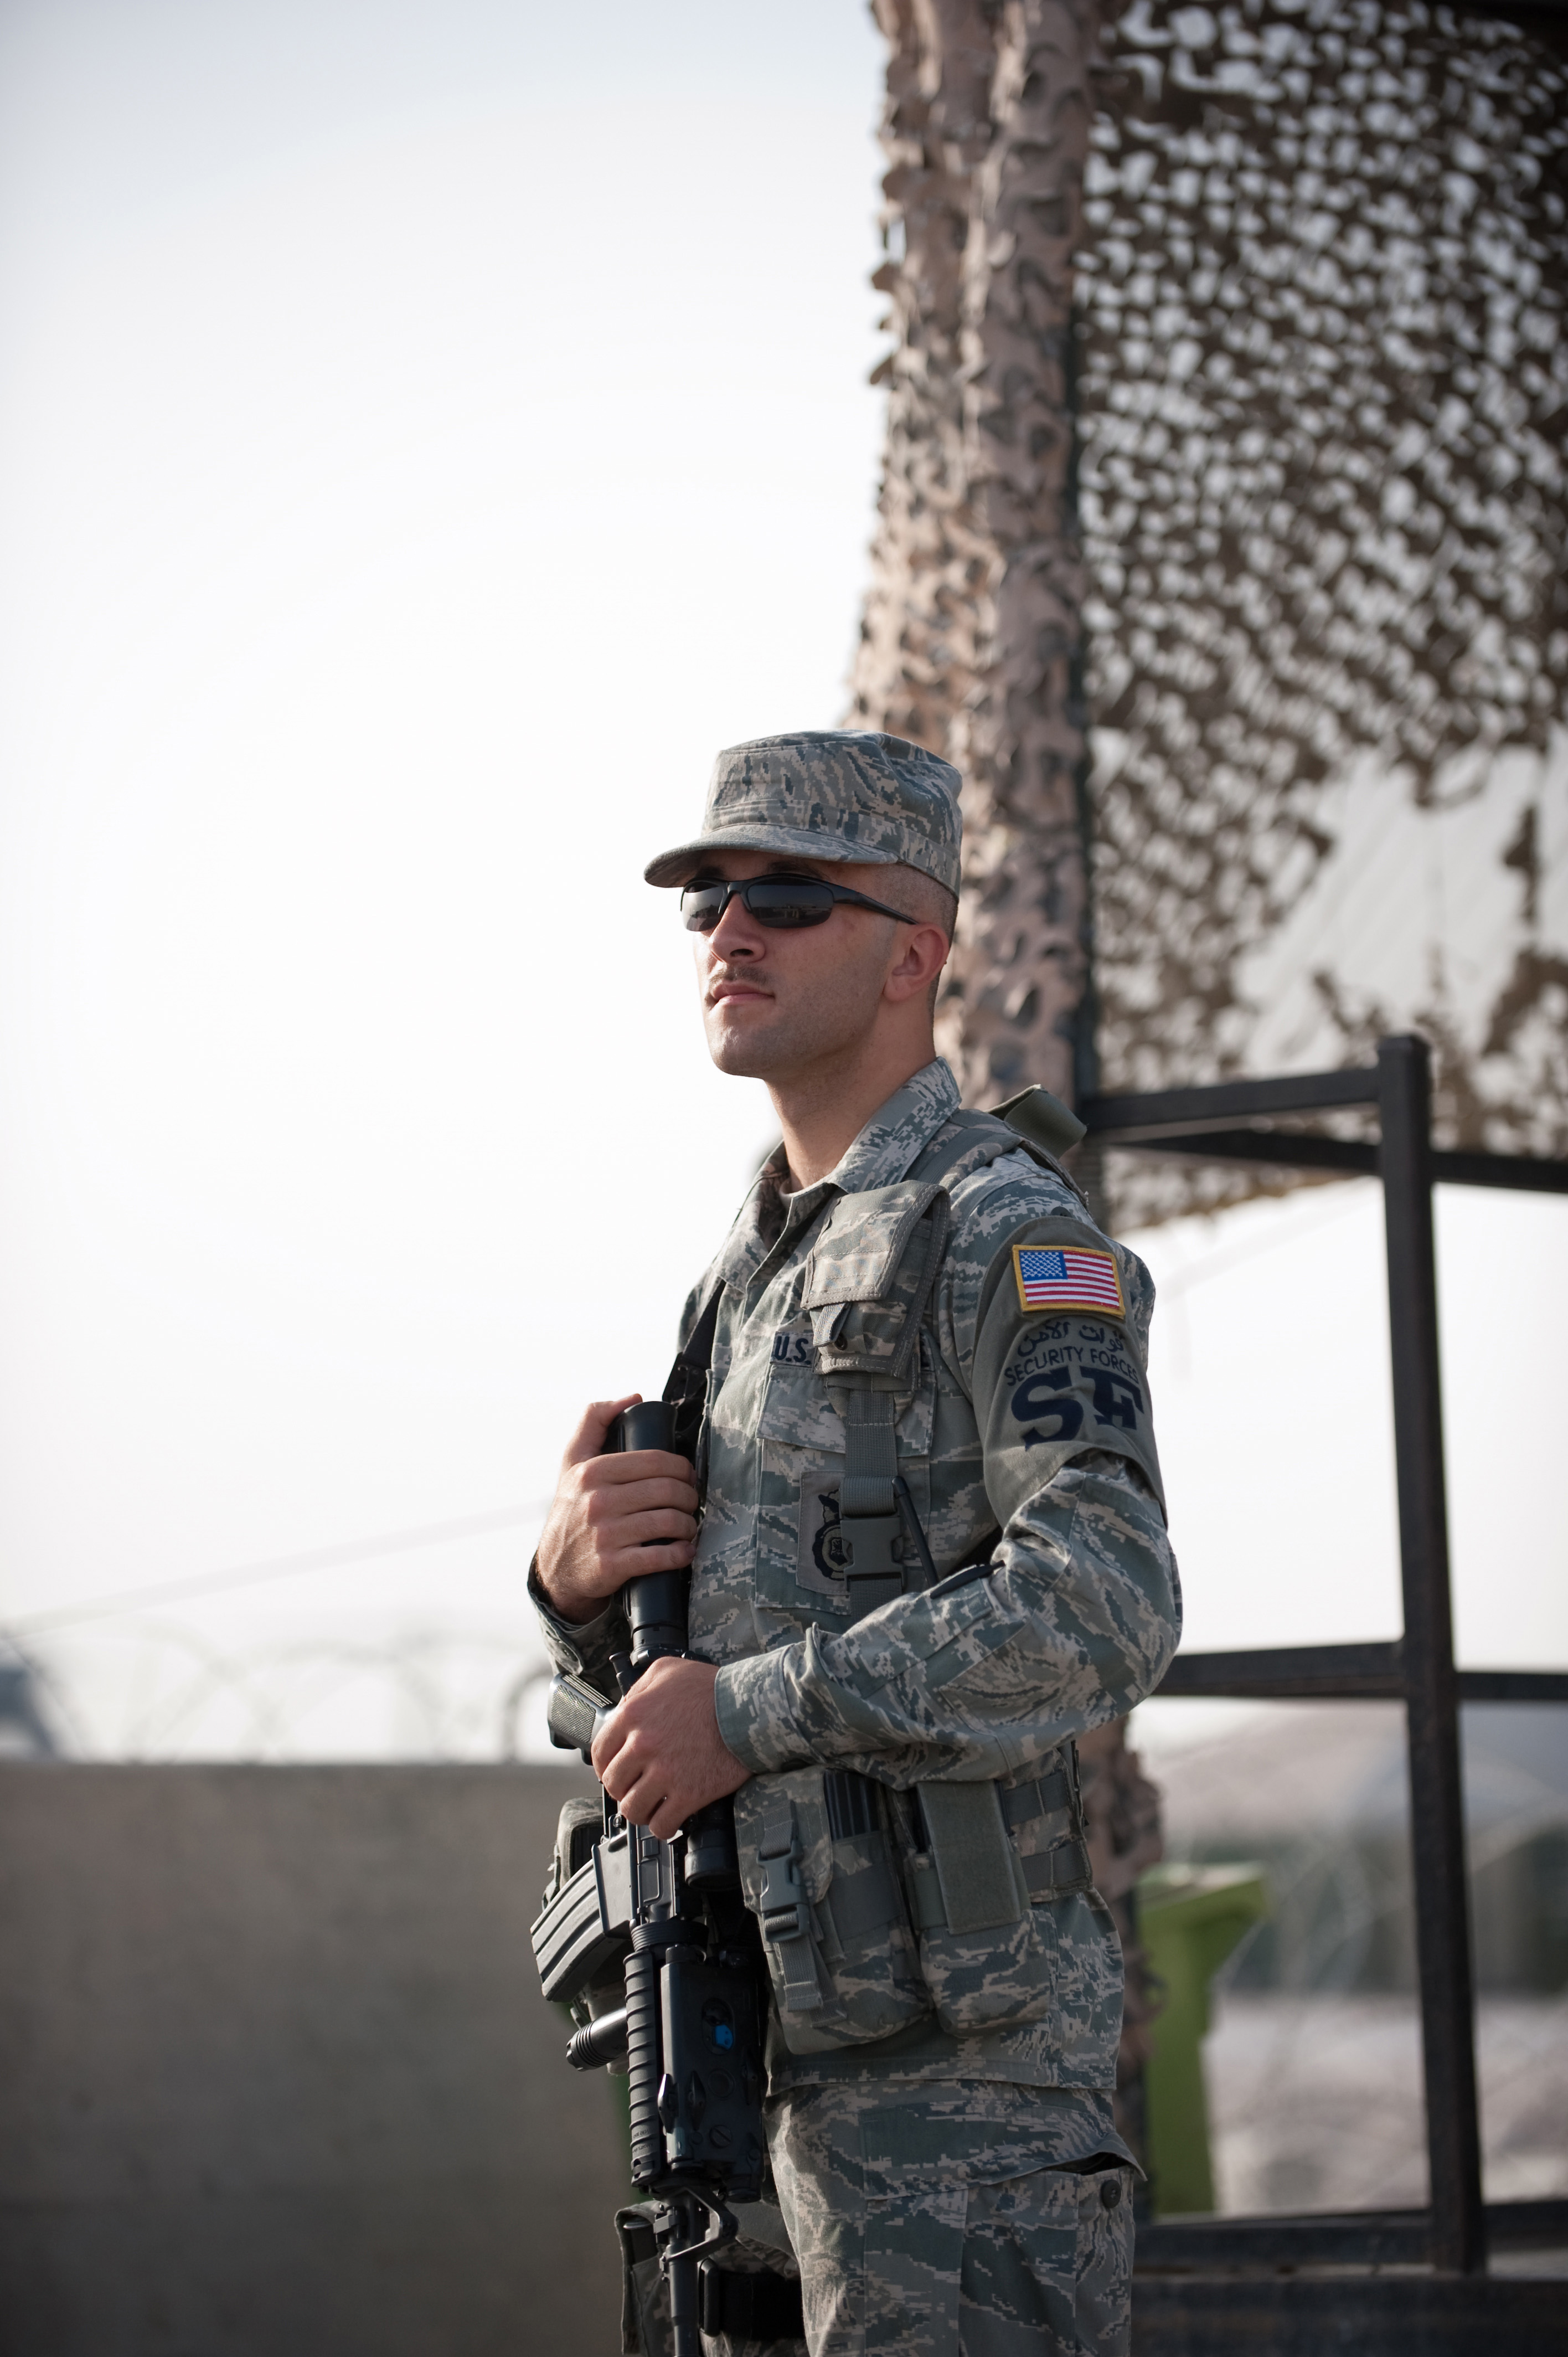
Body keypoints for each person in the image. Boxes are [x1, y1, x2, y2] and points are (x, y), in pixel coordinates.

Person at [530, 730, 1181, 2357]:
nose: (731, 932)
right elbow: (672, 1681)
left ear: (914, 954)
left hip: (959, 2116)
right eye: (707, 902)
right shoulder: (741, 1275)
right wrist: (573, 1591)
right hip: (750, 2069)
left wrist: (748, 1715)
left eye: (790, 897)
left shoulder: (1009, 1230)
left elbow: (1105, 1601)